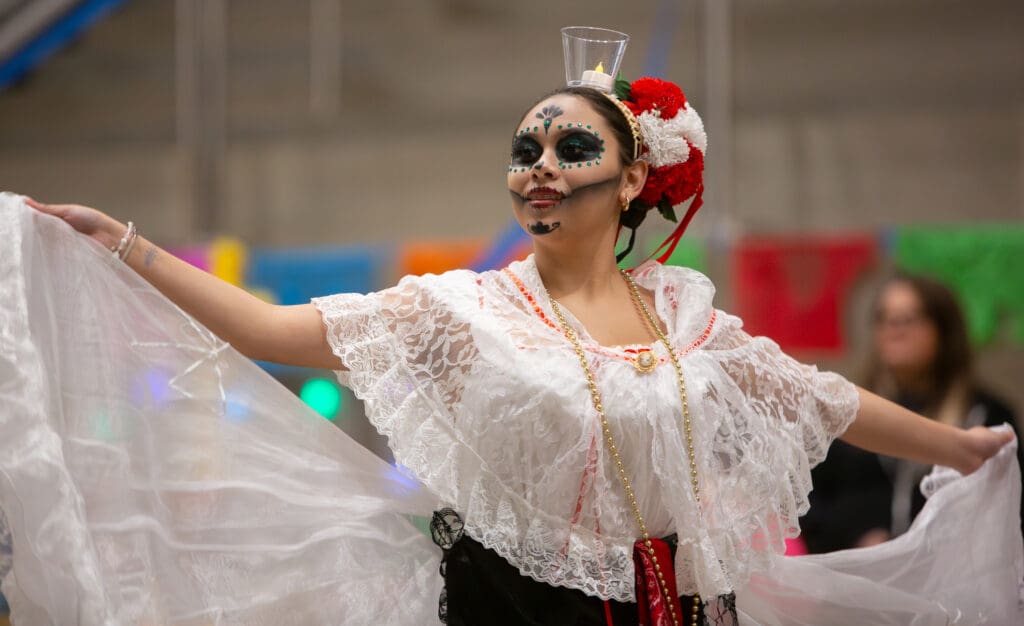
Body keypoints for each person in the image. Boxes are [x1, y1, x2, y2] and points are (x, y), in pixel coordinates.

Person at [0, 30, 1020, 626]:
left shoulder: (682, 315)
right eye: (523, 144)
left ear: (630, 179)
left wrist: (963, 448)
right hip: (512, 609)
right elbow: (271, 324)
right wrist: (123, 240)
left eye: (568, 143)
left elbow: (821, 396)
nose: (537, 162)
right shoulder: (463, 310)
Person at [802, 273, 1022, 553]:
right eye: (885, 318)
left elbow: (1009, 511)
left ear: (943, 330)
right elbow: (810, 502)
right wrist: (856, 537)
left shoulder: (984, 414)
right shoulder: (847, 412)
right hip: (859, 581)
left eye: (909, 319)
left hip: (949, 578)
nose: (895, 329)